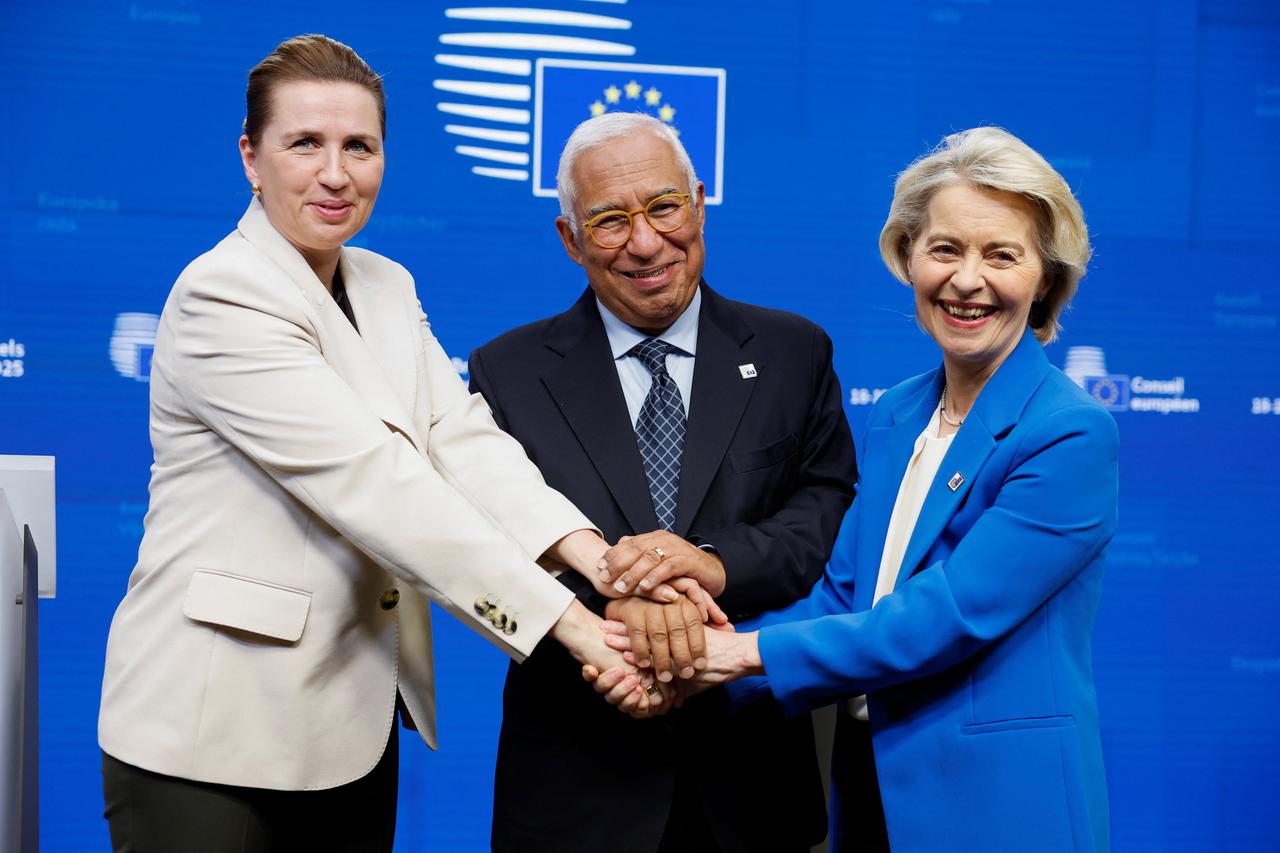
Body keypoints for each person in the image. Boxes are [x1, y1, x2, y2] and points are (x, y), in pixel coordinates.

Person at [96, 35, 667, 853]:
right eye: (305, 144)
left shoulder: (386, 282)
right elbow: (382, 488)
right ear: (251, 157)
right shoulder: (221, 294)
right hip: (209, 737)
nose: (336, 174)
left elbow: (463, 441)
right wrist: (580, 629)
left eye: (359, 146)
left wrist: (600, 564)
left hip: (349, 729)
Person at [597, 126, 1119, 852]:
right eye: (945, 249)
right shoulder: (898, 413)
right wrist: (693, 660)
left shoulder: (1070, 431)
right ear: (908, 257)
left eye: (1002, 254)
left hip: (999, 806)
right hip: (871, 793)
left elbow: (948, 613)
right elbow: (844, 596)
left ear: (1045, 279)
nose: (967, 280)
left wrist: (728, 657)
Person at [469, 112, 859, 852]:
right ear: (570, 238)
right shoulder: (506, 372)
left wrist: (712, 563)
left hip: (755, 780)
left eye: (663, 206)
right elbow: (489, 545)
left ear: (700, 201)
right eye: (610, 220)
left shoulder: (793, 352)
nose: (646, 242)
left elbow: (825, 512)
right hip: (575, 786)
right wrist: (627, 611)